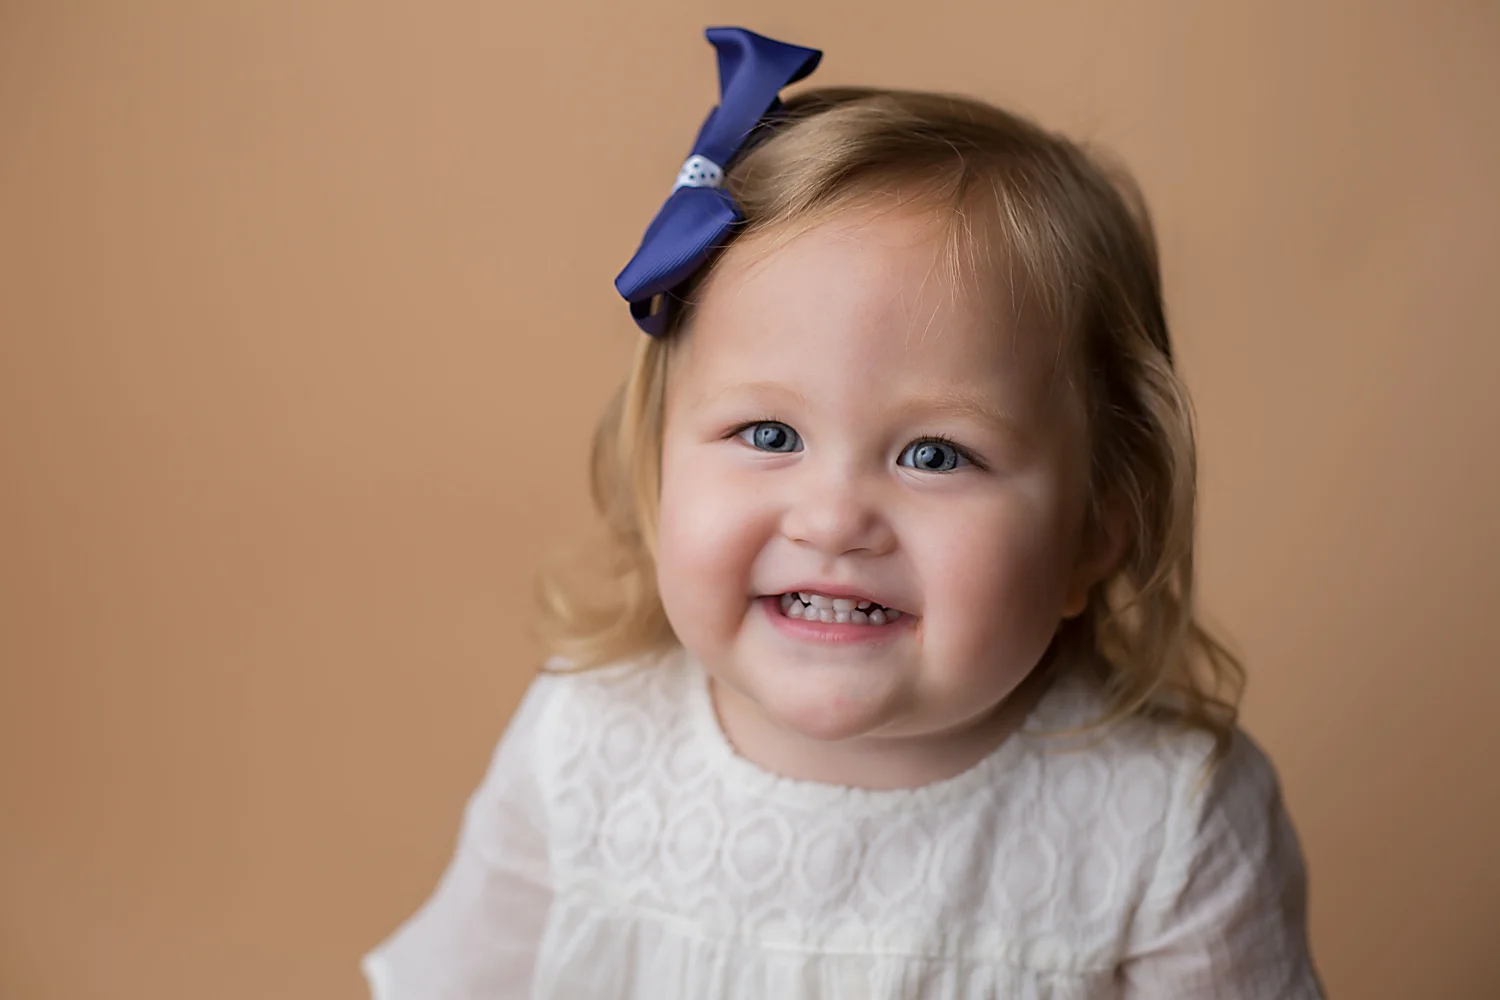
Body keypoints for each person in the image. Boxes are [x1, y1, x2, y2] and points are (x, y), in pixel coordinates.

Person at [362, 26, 1324, 999]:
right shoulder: (584, 745)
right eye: (769, 435)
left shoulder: (1164, 824)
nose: (831, 519)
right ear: (657, 472)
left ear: (1093, 534)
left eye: (934, 453)